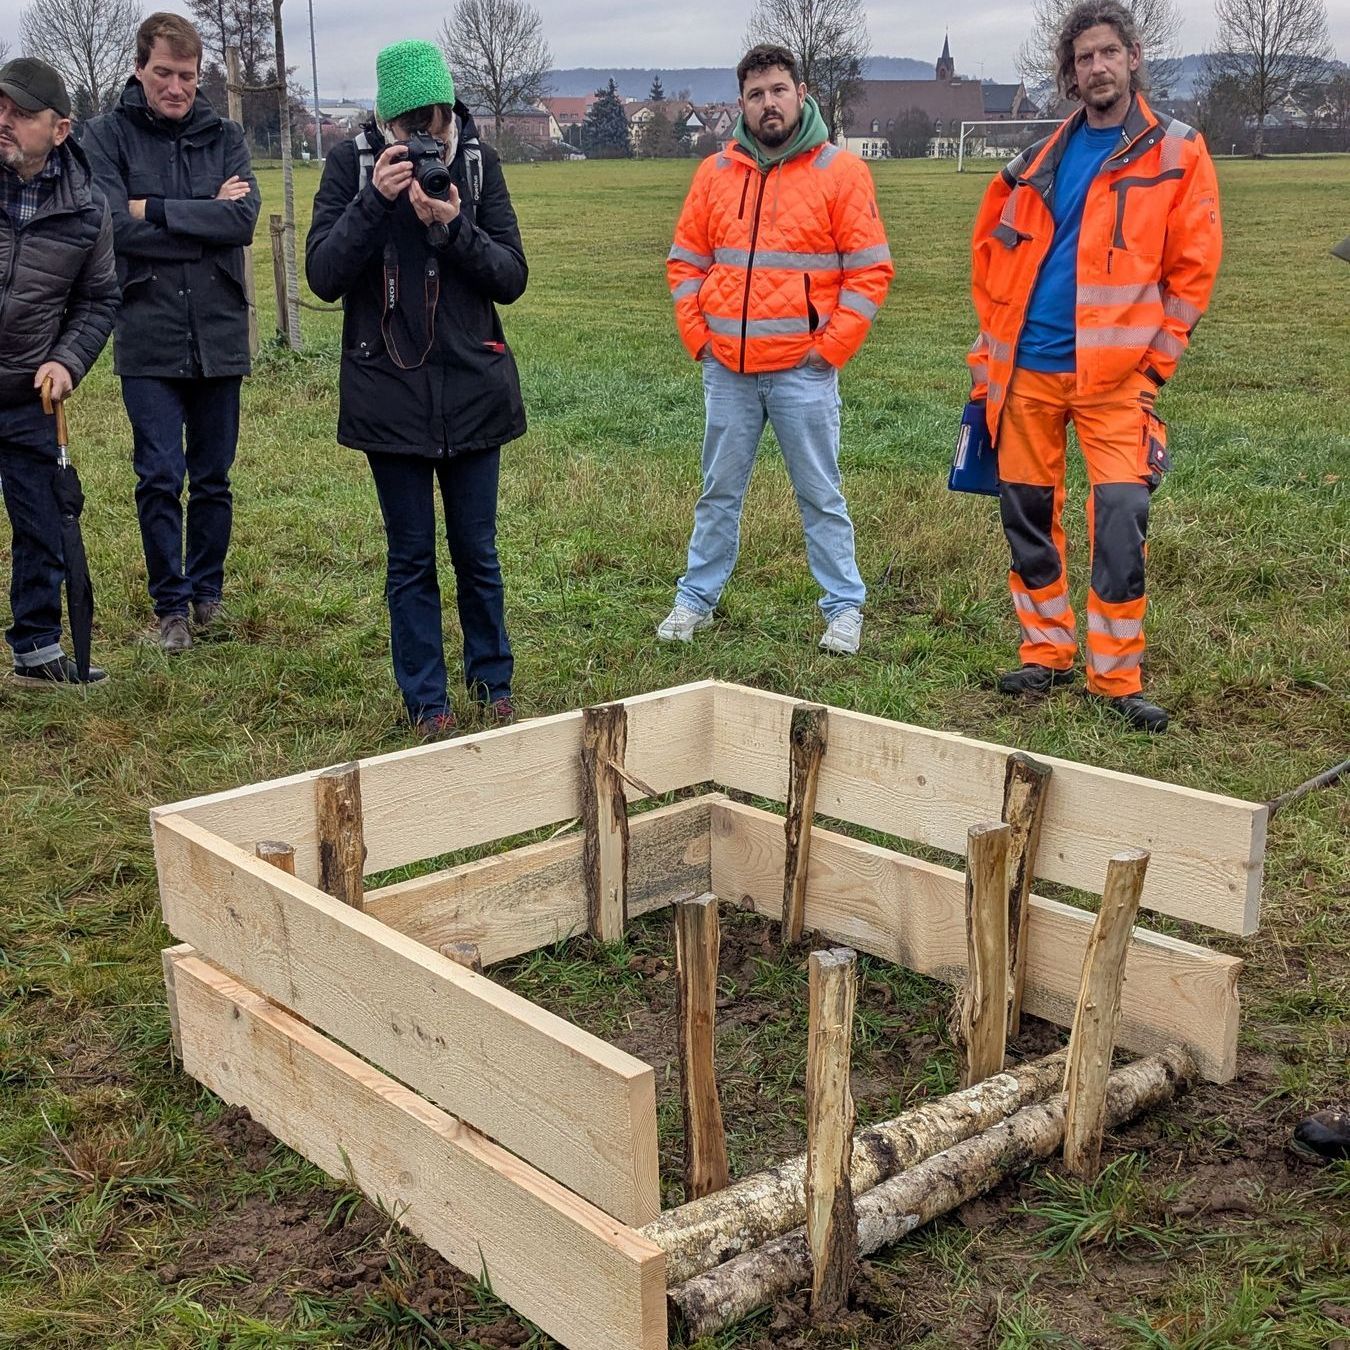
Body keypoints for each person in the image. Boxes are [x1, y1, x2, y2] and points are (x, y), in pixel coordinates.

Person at [966, 0, 1221, 733]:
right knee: (1027, 516)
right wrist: (989, 363)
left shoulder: (1179, 152)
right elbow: (992, 271)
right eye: (1085, 58)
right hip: (1028, 373)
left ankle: (1115, 678)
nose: (1098, 67)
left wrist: (1153, 370)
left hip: (1117, 382)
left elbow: (1192, 274)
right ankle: (1046, 651)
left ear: (1133, 58)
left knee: (1120, 520)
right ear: (1070, 74)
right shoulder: (1033, 162)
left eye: (1110, 52)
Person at [306, 40, 525, 739]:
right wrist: (375, 201)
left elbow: (512, 277)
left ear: (450, 111)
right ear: (384, 122)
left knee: (477, 551)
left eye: (435, 121)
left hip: (473, 384)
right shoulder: (351, 167)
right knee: (410, 557)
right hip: (388, 390)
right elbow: (323, 276)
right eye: (409, 126)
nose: (425, 138)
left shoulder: (478, 165)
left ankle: (493, 682)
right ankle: (427, 702)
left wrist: (453, 228)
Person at [660, 44, 893, 655]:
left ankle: (843, 606)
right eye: (756, 94)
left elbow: (870, 270)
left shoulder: (841, 173)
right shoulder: (715, 173)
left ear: (801, 94)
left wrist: (831, 348)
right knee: (718, 492)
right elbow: (685, 262)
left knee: (820, 494)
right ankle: (696, 598)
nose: (769, 103)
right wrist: (699, 337)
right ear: (741, 103)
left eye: (778, 90)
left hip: (802, 373)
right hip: (728, 371)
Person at [83, 13, 258, 653]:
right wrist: (203, 215)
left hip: (218, 330)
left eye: (187, 75)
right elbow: (110, 225)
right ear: (140, 69)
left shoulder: (227, 136)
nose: (177, 87)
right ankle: (171, 608)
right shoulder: (106, 136)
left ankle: (208, 593)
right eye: (164, 73)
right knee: (159, 474)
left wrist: (152, 208)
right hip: (147, 329)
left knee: (213, 477)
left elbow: (241, 222)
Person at [0, 57, 118, 686]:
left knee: (41, 522)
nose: (5, 121)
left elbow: (98, 301)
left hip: (28, 392)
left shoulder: (88, 210)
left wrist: (67, 360)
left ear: (60, 128)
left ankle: (37, 651)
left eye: (21, 113)